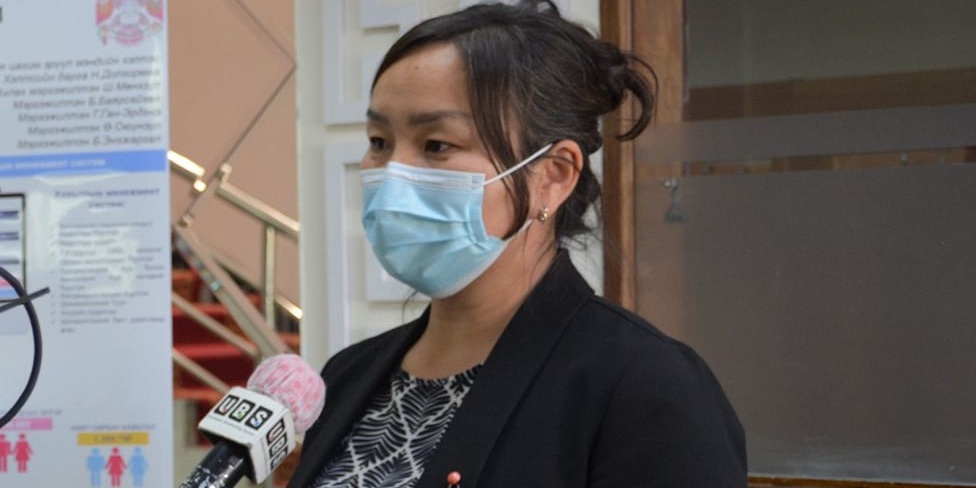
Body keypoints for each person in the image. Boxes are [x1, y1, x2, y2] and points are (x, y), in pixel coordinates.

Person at [288, 1, 746, 487]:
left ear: (554, 175)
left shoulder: (643, 385)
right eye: (379, 141)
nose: (392, 175)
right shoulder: (346, 376)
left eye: (437, 145)